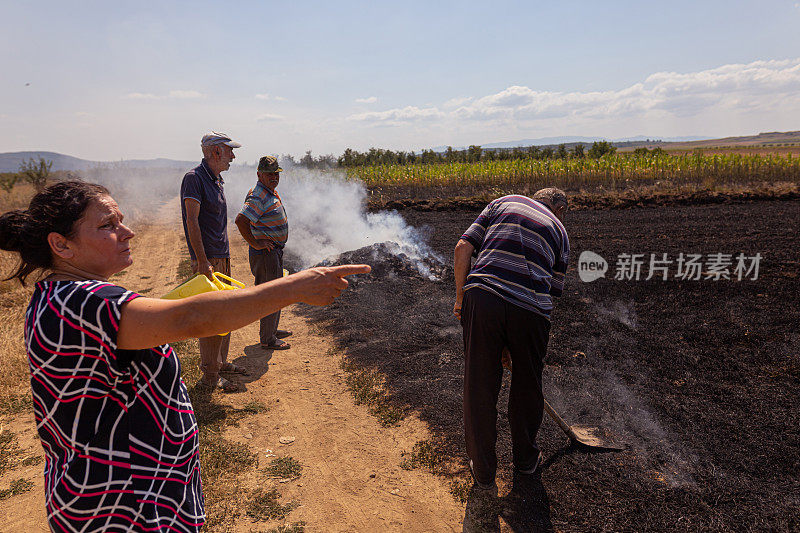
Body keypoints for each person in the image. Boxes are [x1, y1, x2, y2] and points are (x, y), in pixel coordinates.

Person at [0, 180, 369, 532]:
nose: (127, 232)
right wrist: (296, 286)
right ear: (61, 246)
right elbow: (193, 318)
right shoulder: (83, 303)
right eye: (108, 225)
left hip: (124, 490)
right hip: (123, 504)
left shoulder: (65, 295)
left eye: (122, 220)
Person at [453, 187, 569, 490]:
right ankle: (526, 461)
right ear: (560, 209)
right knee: (528, 385)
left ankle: (484, 470)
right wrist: (513, 339)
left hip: (482, 296)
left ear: (534, 197)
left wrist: (459, 298)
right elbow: (549, 291)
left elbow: (462, 247)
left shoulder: (502, 202)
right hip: (531, 313)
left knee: (479, 385)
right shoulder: (560, 231)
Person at [180, 131, 240, 390]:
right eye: (229, 151)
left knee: (225, 313)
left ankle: (221, 362)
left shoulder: (216, 179)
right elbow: (191, 220)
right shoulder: (194, 179)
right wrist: (202, 261)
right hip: (209, 259)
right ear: (215, 152)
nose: (233, 156)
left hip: (221, 255)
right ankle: (210, 375)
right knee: (212, 316)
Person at [235, 155, 292, 350]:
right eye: (269, 174)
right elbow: (241, 220)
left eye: (276, 173)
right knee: (269, 294)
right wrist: (256, 243)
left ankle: (272, 330)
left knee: (276, 292)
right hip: (266, 254)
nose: (274, 177)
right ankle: (268, 339)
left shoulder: (270, 192)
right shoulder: (258, 195)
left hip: (273, 252)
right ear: (259, 174)